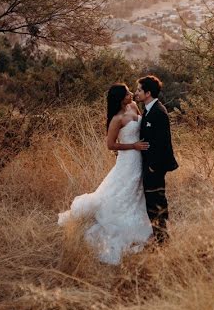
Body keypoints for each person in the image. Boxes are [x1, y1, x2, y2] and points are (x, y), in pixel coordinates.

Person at [57, 83, 152, 264]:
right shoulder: (116, 119)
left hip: (140, 157)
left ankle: (140, 225)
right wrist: (133, 145)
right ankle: (118, 227)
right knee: (122, 191)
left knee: (136, 192)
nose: (131, 93)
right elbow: (110, 145)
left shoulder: (133, 106)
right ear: (120, 98)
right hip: (128, 159)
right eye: (127, 93)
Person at [134, 75, 178, 244]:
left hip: (155, 166)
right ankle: (159, 236)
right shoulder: (148, 109)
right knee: (152, 201)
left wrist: (153, 166)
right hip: (149, 165)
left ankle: (162, 238)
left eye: (139, 90)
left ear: (148, 92)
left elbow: (162, 142)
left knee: (156, 201)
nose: (136, 93)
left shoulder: (159, 112)